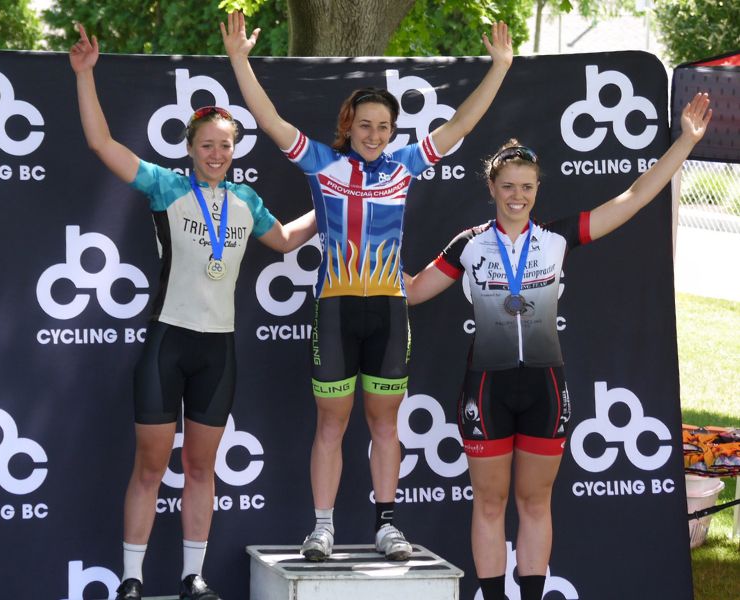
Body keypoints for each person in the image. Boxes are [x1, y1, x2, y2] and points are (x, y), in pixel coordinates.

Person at [221, 11, 513, 561]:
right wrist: (239, 58)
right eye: (365, 126)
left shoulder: (404, 166)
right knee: (331, 423)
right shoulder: (324, 165)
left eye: (383, 127)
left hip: (388, 310)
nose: (374, 135)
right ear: (348, 127)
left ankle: (386, 525)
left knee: (384, 420)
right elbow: (270, 118)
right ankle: (323, 529)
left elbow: (462, 128)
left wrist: (499, 68)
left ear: (393, 132)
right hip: (334, 310)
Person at [404, 93, 712, 600]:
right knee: (488, 501)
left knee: (535, 500)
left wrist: (685, 143)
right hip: (485, 385)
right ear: (492, 188)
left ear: (537, 189)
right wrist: (360, 253)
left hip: (546, 384)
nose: (517, 196)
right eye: (508, 187)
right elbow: (413, 290)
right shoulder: (468, 244)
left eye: (526, 187)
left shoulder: (556, 238)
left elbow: (633, 198)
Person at [69, 23, 317, 600]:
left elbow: (282, 240)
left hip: (217, 350)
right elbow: (103, 144)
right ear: (190, 148)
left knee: (201, 470)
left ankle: (193, 577)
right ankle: (131, 579)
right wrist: (85, 77)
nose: (216, 153)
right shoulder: (165, 187)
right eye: (207, 144)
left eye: (225, 145)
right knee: (150, 468)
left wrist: (332, 207)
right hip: (168, 343)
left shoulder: (245, 201)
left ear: (234, 150)